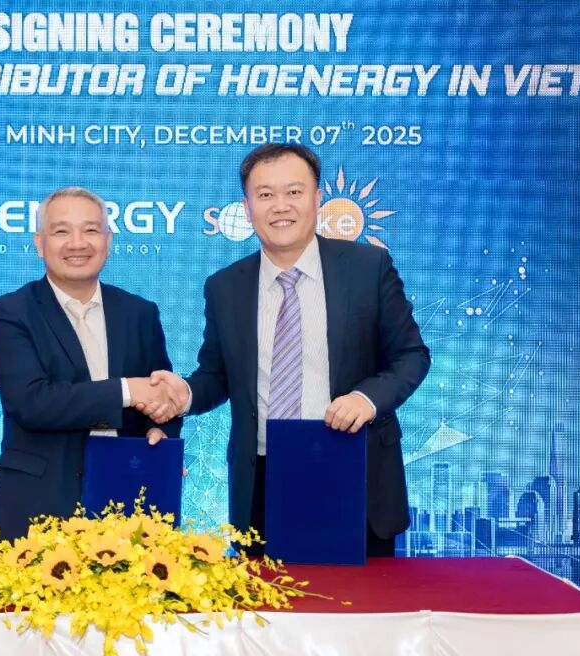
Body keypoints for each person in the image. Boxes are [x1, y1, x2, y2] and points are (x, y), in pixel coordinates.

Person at [153, 144, 429, 557]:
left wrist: (366, 398)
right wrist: (186, 394)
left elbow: (411, 355)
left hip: (354, 467)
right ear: (247, 210)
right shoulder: (225, 286)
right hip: (262, 478)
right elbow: (217, 376)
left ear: (317, 199)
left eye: (294, 192)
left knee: (362, 599)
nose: (280, 206)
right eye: (265, 194)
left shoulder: (368, 267)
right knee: (266, 598)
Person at [0, 186, 182, 542]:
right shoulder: (11, 312)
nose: (77, 243)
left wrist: (161, 431)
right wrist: (125, 390)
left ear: (107, 240)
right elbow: (33, 403)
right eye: (62, 231)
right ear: (39, 243)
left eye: (90, 230)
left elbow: (158, 392)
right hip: (37, 508)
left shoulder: (139, 312)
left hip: (130, 504)